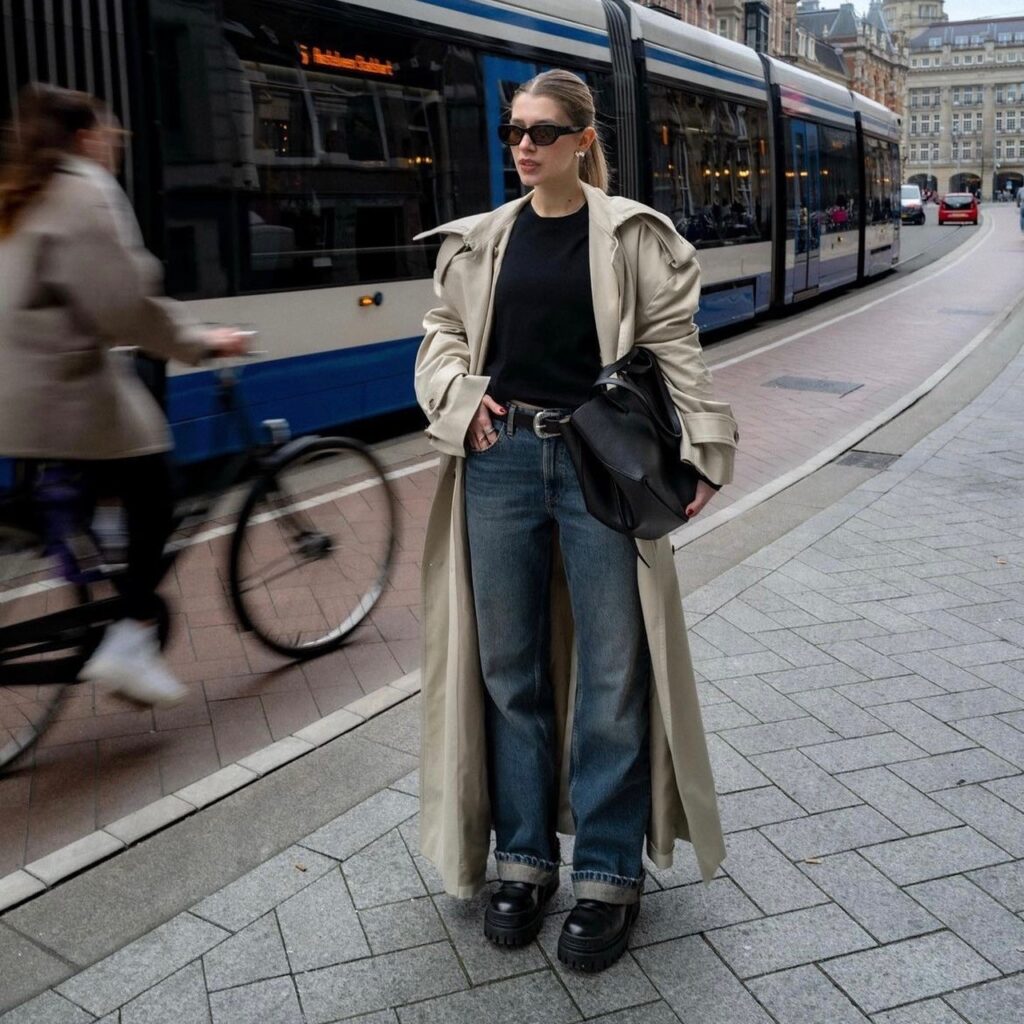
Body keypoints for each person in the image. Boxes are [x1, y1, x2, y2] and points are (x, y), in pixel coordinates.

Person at [414, 69, 738, 972]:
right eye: (514, 130)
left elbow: (676, 348)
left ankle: (604, 873)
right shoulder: (481, 242)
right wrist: (457, 396)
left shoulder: (633, 236)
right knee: (507, 669)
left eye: (544, 132)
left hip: (600, 463)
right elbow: (440, 333)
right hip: (501, 461)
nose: (524, 146)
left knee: (613, 670)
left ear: (583, 141)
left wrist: (705, 446)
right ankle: (521, 861)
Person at [0, 84, 247, 707]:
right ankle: (131, 636)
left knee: (109, 475)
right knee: (155, 484)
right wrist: (201, 342)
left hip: (17, 393)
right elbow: (123, 308)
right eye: (110, 134)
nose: (114, 146)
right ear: (85, 138)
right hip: (60, 392)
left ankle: (95, 553)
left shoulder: (19, 192)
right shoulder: (83, 190)